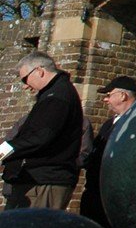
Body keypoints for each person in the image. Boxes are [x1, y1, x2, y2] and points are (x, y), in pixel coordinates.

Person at [1, 51, 84, 210]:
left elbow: (40, 137)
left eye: (25, 79)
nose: (25, 86)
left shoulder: (58, 96)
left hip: (45, 181)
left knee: (33, 225)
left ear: (39, 71)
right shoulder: (52, 94)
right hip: (37, 179)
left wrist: (3, 151)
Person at [78, 75, 136, 228]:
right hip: (95, 191)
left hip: (115, 195)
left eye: (109, 95)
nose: (105, 100)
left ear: (123, 95)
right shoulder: (108, 124)